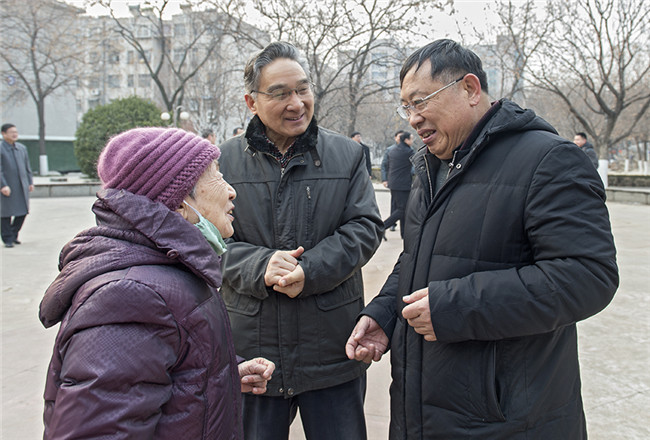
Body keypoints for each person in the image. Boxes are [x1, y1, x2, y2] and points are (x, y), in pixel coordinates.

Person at [346, 39, 618, 439]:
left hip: (508, 419)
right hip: (421, 412)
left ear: (470, 89)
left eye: (421, 102)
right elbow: (417, 257)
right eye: (406, 107)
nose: (413, 119)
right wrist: (386, 314)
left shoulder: (549, 160)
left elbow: (587, 277)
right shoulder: (431, 165)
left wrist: (455, 307)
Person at [39, 128, 275, 440]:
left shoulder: (171, 269)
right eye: (216, 176)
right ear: (178, 204)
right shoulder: (131, 296)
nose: (231, 191)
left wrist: (222, 374)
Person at [218, 41, 383, 440]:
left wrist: (310, 270)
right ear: (252, 102)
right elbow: (204, 241)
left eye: (303, 89)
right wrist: (259, 266)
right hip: (253, 353)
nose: (296, 103)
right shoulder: (220, 162)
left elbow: (365, 227)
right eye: (280, 93)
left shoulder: (347, 155)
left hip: (331, 347)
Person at [1, 123, 33, 248]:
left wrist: (30, 182)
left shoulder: (21, 148)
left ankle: (13, 234)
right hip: (6, 186)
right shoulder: (1, 148)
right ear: (3, 134)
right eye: (11, 132)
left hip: (21, 186)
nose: (14, 134)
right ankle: (7, 238)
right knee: (5, 213)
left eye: (16, 132)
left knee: (23, 211)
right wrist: (2, 185)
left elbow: (27, 167)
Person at [382, 131, 415, 239]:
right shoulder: (409, 152)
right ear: (406, 140)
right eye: (411, 139)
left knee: (402, 209)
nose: (412, 141)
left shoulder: (392, 150)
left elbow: (387, 165)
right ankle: (382, 227)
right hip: (403, 184)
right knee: (403, 209)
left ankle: (404, 234)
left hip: (393, 183)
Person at [381, 130, 405, 231]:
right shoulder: (390, 150)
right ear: (395, 138)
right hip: (394, 180)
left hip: (404, 181)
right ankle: (391, 224)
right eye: (399, 137)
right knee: (395, 204)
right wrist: (384, 179)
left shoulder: (409, 149)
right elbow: (384, 165)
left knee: (403, 206)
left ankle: (403, 228)